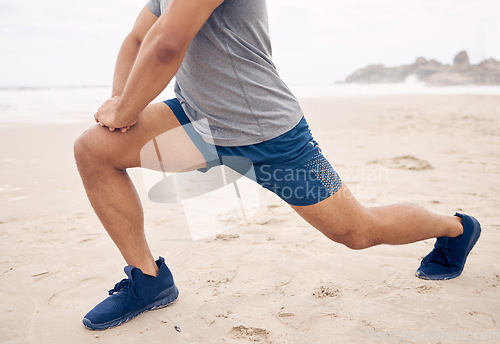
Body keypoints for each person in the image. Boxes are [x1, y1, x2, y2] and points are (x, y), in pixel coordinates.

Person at [74, 0, 481, 331]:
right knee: (95, 150)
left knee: (358, 232)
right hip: (198, 124)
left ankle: (456, 228)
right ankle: (148, 280)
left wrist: (124, 108)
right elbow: (136, 39)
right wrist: (121, 113)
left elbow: (167, 43)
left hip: (273, 137)